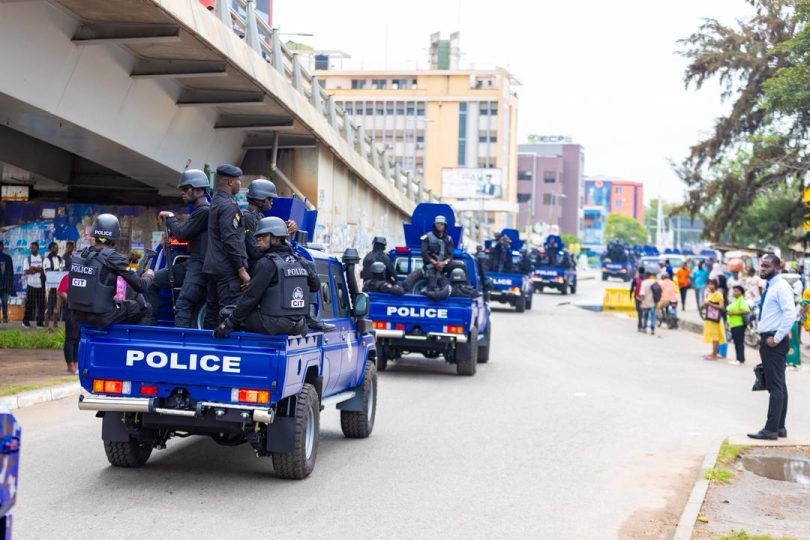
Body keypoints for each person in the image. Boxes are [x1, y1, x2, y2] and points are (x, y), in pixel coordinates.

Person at [213, 217, 318, 338]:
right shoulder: (299, 260)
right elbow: (315, 286)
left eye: (263, 236)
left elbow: (250, 298)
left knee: (227, 313)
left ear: (276, 238)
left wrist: (227, 325)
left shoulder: (267, 263)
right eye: (257, 236)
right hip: (298, 325)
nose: (258, 239)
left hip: (274, 324)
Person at [68, 214, 154, 329]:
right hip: (101, 316)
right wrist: (149, 276)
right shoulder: (113, 258)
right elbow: (140, 285)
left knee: (119, 304)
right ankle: (128, 338)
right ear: (115, 236)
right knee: (144, 308)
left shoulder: (79, 254)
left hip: (77, 315)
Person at [155, 169, 212, 328]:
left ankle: (182, 339)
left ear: (199, 190)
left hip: (200, 265)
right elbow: (185, 232)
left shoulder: (205, 211)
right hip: (192, 263)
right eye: (182, 189)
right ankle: (149, 326)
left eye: (186, 189)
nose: (183, 193)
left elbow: (182, 234)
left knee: (183, 304)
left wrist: (170, 218)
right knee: (152, 281)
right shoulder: (199, 213)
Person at [748, 254, 796, 440]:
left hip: (773, 341)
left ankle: (770, 429)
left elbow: (790, 314)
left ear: (777, 268)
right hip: (769, 339)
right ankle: (780, 427)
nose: (762, 269)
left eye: (766, 266)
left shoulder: (781, 286)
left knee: (775, 386)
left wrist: (776, 338)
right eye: (761, 265)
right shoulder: (771, 286)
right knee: (779, 384)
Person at [203, 164, 249, 325]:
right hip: (227, 270)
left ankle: (207, 340)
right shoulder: (229, 206)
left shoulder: (215, 202)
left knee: (212, 311)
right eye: (238, 180)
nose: (240, 184)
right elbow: (230, 240)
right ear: (230, 182)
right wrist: (241, 270)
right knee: (230, 312)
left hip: (212, 268)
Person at [421, 215, 454, 290]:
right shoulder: (427, 237)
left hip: (444, 266)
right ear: (434, 225)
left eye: (442, 224)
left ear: (445, 226)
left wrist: (444, 263)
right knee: (431, 285)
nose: (439, 225)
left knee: (460, 266)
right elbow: (424, 253)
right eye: (437, 223)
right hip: (430, 265)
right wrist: (435, 263)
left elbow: (451, 256)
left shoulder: (449, 239)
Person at [57, 273, 78, 374]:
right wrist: (71, 300)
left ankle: (76, 364)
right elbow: (60, 291)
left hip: (82, 312)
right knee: (71, 338)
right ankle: (70, 365)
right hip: (71, 311)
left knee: (79, 338)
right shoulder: (68, 277)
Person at [22, 241, 45, 328]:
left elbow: (43, 270)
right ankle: (25, 322)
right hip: (31, 284)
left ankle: (40, 323)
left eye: (33, 247)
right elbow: (26, 271)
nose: (32, 249)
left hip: (40, 285)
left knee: (41, 305)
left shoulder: (42, 258)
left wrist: (33, 268)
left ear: (37, 248)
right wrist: (37, 269)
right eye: (31, 248)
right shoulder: (27, 259)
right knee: (30, 305)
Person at [701, 278, 726, 361]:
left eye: (712, 284)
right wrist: (705, 305)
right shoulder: (708, 294)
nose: (710, 286)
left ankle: (714, 355)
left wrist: (710, 304)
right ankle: (713, 353)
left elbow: (721, 307)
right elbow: (706, 305)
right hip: (709, 317)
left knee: (716, 336)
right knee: (712, 336)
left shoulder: (718, 294)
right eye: (709, 284)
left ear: (715, 285)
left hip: (716, 318)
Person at [726, 285, 750, 366]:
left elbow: (746, 311)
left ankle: (740, 359)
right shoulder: (735, 301)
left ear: (741, 292)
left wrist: (733, 313)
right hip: (733, 324)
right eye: (734, 291)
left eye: (737, 291)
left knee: (739, 342)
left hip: (739, 324)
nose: (735, 292)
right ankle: (738, 359)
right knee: (736, 342)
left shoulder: (741, 300)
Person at [43, 241, 63, 331]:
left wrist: (59, 271)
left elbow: (62, 270)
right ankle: (46, 324)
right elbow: (48, 272)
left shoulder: (59, 259)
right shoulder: (47, 260)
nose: (56, 249)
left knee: (57, 305)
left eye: (57, 248)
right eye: (55, 248)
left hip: (58, 285)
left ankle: (55, 324)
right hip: (49, 286)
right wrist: (58, 271)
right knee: (49, 304)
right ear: (50, 249)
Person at [638, 270, 660, 335]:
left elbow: (642, 294)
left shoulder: (644, 283)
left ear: (645, 276)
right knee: (653, 315)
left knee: (645, 315)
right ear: (650, 276)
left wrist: (640, 301)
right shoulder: (654, 282)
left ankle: (644, 328)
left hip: (646, 302)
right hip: (653, 302)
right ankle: (652, 329)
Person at [0, 241, 14, 324]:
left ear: (3, 247)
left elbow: (11, 272)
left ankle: (5, 317)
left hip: (5, 284)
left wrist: (10, 283)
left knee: (4, 302)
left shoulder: (8, 258)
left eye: (1, 246)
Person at [629, 266, 646, 332]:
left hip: (637, 297)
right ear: (644, 272)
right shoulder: (646, 279)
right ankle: (643, 326)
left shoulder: (636, 278)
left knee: (639, 311)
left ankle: (640, 326)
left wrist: (630, 295)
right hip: (644, 297)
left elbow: (632, 288)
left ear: (638, 271)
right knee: (644, 312)